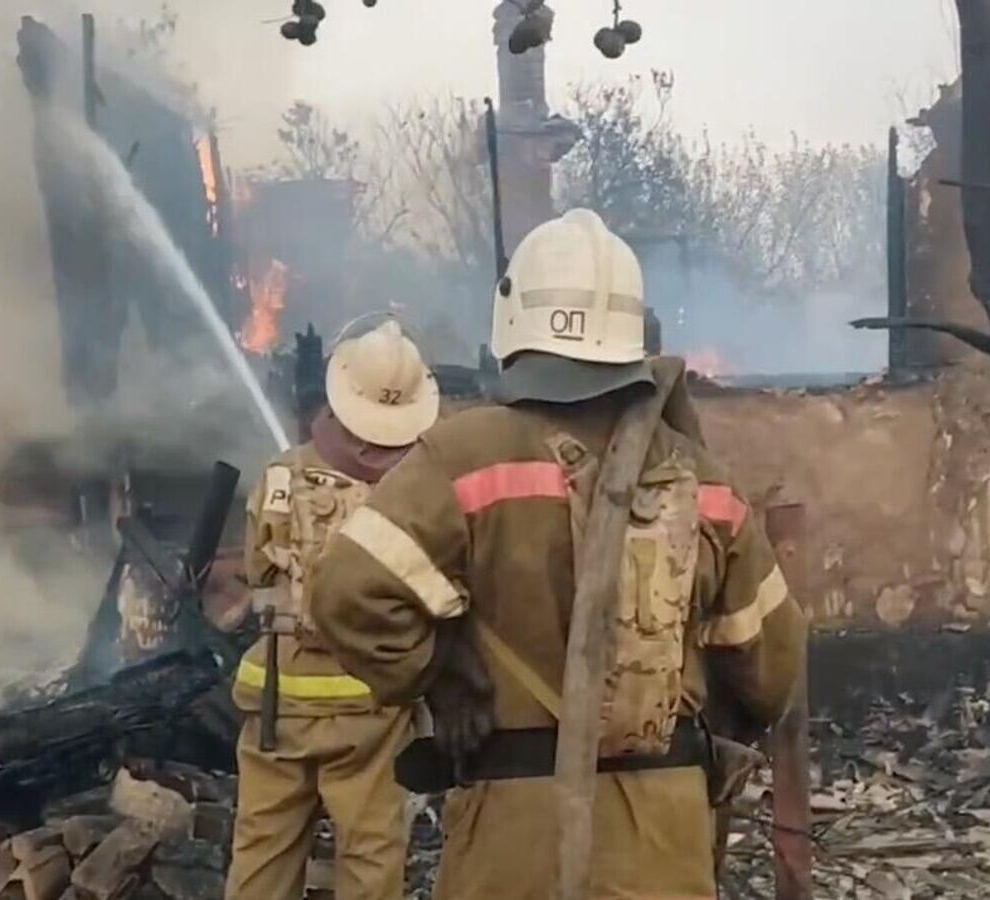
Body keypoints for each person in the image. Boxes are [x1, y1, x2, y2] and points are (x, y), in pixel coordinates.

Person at [311, 209, 808, 899]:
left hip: (514, 837)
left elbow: (346, 591)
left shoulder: (462, 457)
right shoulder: (705, 482)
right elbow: (772, 668)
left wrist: (439, 670)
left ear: (513, 323)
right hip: (664, 841)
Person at [225, 317, 439, 900]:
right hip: (372, 702)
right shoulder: (421, 490)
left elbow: (258, 574)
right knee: (371, 852)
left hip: (278, 699)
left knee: (262, 849)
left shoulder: (278, 474)